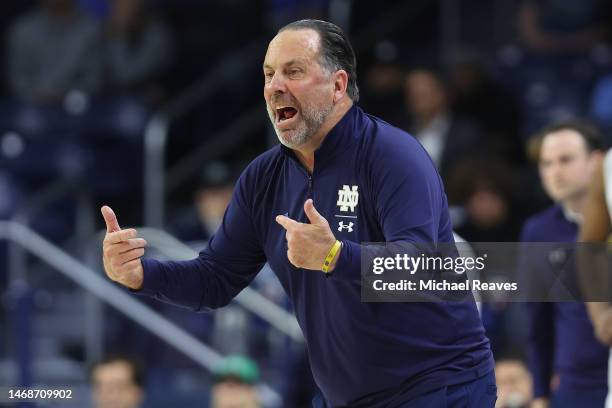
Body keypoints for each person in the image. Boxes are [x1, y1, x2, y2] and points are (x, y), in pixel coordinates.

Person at [100, 19, 495, 407]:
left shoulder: (393, 156)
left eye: (293, 71)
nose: (275, 87)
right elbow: (214, 280)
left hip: (441, 386)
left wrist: (335, 256)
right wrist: (141, 275)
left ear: (338, 85)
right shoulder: (262, 179)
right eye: (269, 74)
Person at [520, 121, 608, 408]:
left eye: (565, 160)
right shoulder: (538, 231)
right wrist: (539, 394)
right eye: (546, 164)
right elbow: (538, 322)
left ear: (597, 161)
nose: (554, 172)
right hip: (575, 386)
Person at [6, 0, 102, 104]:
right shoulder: (22, 29)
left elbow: (94, 79)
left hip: (78, 106)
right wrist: (37, 94)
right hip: (29, 106)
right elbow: (18, 77)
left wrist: (64, 95)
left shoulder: (91, 29)